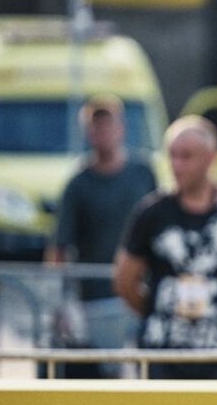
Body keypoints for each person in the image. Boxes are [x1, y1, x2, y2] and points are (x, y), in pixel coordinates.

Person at [112, 116, 217, 379]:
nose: (177, 165)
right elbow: (124, 281)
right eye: (172, 155)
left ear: (211, 158)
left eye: (187, 156)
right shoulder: (152, 211)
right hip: (160, 354)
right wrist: (159, 309)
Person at [46, 94, 158, 376]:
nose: (104, 133)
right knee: (106, 376)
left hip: (143, 293)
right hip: (96, 299)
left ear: (121, 128)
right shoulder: (78, 184)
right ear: (88, 133)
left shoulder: (143, 173)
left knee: (148, 373)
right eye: (97, 127)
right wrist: (60, 304)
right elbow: (59, 246)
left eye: (109, 126)